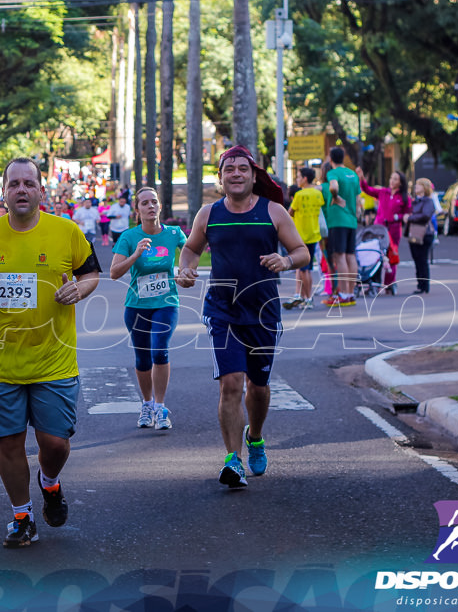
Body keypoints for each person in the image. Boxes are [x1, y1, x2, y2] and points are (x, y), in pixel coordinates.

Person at [0, 157, 101, 548]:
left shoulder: (66, 232)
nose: (21, 189)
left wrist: (79, 290)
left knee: (55, 443)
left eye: (28, 183)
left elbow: (91, 274)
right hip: (0, 360)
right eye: (13, 183)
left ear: (40, 191)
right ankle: (22, 517)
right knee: (10, 443)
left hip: (54, 357)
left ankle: (49, 482)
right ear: (3, 192)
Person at [176, 146, 309, 489]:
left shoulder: (273, 211)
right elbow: (191, 249)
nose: (235, 174)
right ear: (220, 179)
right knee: (231, 383)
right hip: (223, 311)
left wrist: (285, 262)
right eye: (228, 169)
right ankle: (233, 460)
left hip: (263, 313)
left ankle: (257, 436)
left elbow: (301, 252)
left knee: (259, 388)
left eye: (242, 169)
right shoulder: (208, 213)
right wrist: (186, 269)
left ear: (253, 176)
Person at [110, 187, 187, 430]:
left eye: (154, 201)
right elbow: (113, 273)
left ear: (160, 206)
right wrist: (135, 255)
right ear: (137, 210)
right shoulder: (129, 237)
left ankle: (160, 407)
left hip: (166, 303)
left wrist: (185, 274)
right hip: (136, 306)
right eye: (145, 203)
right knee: (142, 358)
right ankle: (146, 403)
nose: (150, 206)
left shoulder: (175, 233)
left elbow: (189, 258)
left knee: (159, 350)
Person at [357, 167, 411, 293]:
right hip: (379, 229)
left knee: (392, 256)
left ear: (401, 183)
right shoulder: (383, 192)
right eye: (392, 178)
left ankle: (389, 283)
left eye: (395, 179)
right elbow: (367, 189)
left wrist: (399, 217)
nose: (392, 181)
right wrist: (362, 178)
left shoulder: (404, 198)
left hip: (394, 229)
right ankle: (374, 283)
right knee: (376, 254)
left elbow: (408, 213)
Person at [321, 147, 360, 307]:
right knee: (351, 256)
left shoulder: (333, 173)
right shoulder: (353, 174)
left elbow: (333, 187)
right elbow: (358, 201)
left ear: (331, 158)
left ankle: (343, 293)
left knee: (339, 256)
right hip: (351, 219)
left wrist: (336, 197)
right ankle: (350, 293)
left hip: (337, 219)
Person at [284, 167, 325, 310]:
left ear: (305, 178)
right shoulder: (317, 194)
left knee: (304, 270)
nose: (297, 179)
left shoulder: (299, 195)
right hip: (314, 234)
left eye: (299, 177)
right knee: (306, 269)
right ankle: (305, 297)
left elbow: (290, 212)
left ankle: (308, 298)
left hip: (301, 236)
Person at [405, 178, 437, 295]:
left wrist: (410, 218)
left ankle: (424, 286)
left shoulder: (428, 201)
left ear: (424, 188)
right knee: (417, 259)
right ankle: (420, 284)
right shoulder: (414, 201)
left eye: (418, 185)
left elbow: (425, 215)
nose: (415, 187)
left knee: (422, 259)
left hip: (425, 234)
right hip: (414, 233)